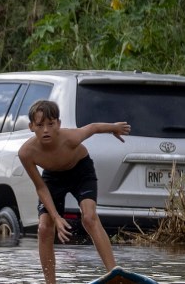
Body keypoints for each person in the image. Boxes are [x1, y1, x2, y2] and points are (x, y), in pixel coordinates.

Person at [18, 99, 131, 284]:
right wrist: (56, 217)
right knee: (44, 227)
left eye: (50, 124)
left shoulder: (70, 138)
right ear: (31, 127)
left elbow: (93, 127)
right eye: (40, 125)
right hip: (52, 179)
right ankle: (50, 282)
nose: (46, 130)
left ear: (58, 125)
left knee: (89, 217)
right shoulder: (26, 153)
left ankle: (114, 274)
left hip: (80, 171)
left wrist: (114, 127)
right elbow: (41, 187)